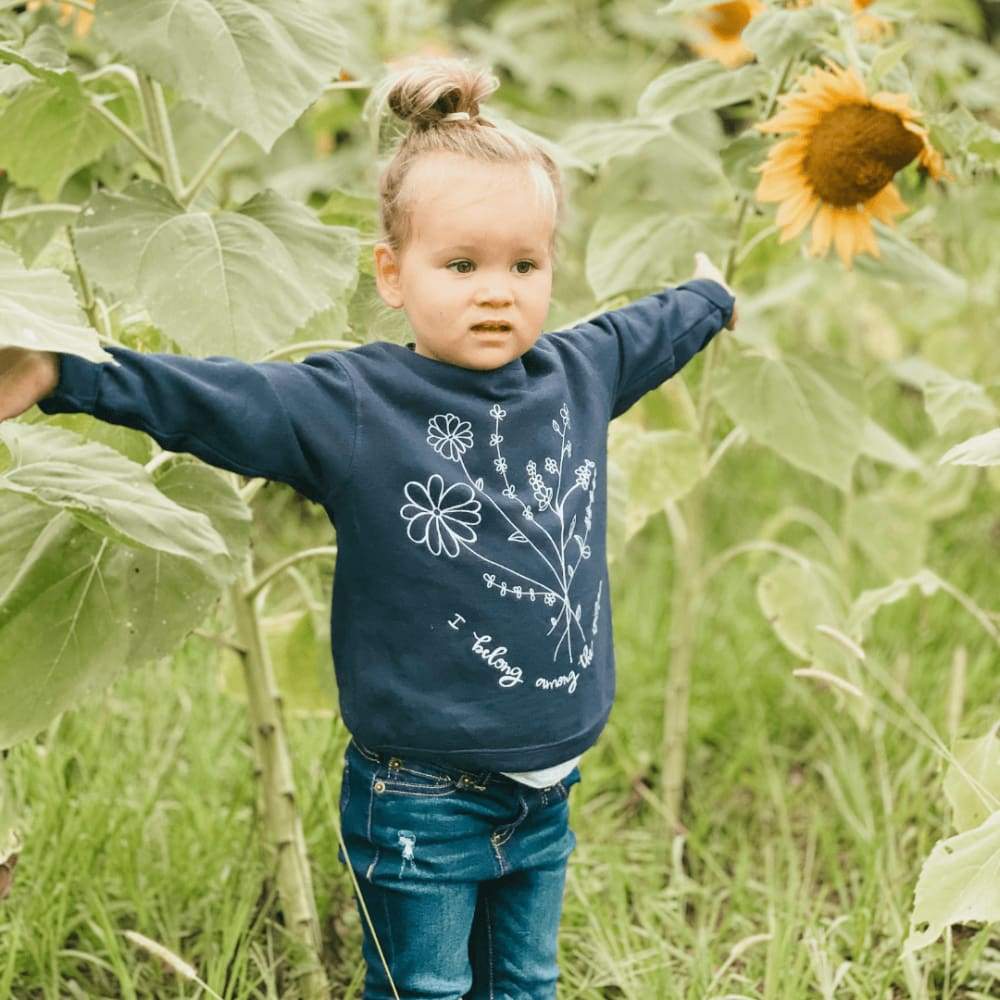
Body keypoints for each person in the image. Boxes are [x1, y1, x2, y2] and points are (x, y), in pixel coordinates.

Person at [0, 56, 736, 1000]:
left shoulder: (577, 375)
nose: (497, 291)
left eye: (525, 264)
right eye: (462, 265)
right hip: (421, 797)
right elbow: (215, 398)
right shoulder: (353, 405)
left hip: (551, 787)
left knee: (528, 983)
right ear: (393, 273)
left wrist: (710, 301)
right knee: (422, 989)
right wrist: (67, 374)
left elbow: (649, 328)